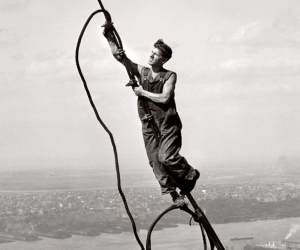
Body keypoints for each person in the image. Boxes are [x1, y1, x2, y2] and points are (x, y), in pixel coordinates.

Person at [103, 24, 200, 205]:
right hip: (148, 122)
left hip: (167, 124)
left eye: (155, 54)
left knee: (167, 158)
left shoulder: (169, 76)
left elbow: (164, 98)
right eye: (151, 52)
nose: (151, 55)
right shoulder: (143, 72)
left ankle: (190, 174)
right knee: (155, 161)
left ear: (163, 60)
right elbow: (121, 58)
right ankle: (174, 195)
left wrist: (142, 92)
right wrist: (109, 37)